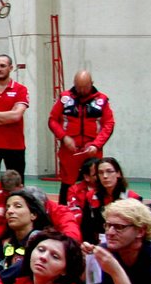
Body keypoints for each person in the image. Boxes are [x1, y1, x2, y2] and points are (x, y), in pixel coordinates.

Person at [47, 70, 113, 203]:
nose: (82, 91)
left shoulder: (102, 100)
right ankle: (64, 213)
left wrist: (97, 144)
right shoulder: (64, 99)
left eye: (85, 87)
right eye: (78, 87)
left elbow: (108, 124)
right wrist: (64, 137)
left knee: (95, 183)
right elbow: (52, 120)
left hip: (92, 151)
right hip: (70, 151)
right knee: (67, 184)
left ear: (92, 83)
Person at [0, 189, 52, 284]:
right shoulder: (3, 242)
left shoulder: (44, 242)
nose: (10, 211)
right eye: (7, 207)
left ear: (33, 215)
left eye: (17, 206)